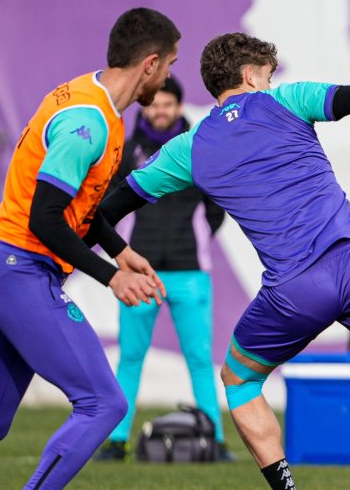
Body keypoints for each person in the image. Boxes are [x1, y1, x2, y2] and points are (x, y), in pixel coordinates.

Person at [96, 32, 350, 490]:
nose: (270, 82)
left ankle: (286, 487)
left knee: (240, 382)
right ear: (249, 75)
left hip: (294, 291)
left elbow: (106, 210)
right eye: (266, 75)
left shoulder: (189, 149)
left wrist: (116, 256)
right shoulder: (288, 101)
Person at [0, 8, 177, 488]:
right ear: (149, 64)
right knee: (104, 403)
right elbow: (43, 218)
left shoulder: (93, 101)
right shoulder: (88, 124)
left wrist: (119, 251)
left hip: (7, 269)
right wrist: (113, 276)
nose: (171, 75)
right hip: (19, 271)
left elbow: (76, 208)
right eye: (171, 63)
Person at [94, 75, 233, 461]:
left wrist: (197, 239)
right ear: (146, 106)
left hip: (191, 272)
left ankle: (214, 441)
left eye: (168, 104)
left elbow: (216, 206)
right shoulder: (125, 149)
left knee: (201, 359)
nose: (160, 111)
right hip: (140, 272)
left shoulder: (199, 145)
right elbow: (107, 205)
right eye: (155, 104)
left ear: (178, 107)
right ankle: (117, 440)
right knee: (131, 356)